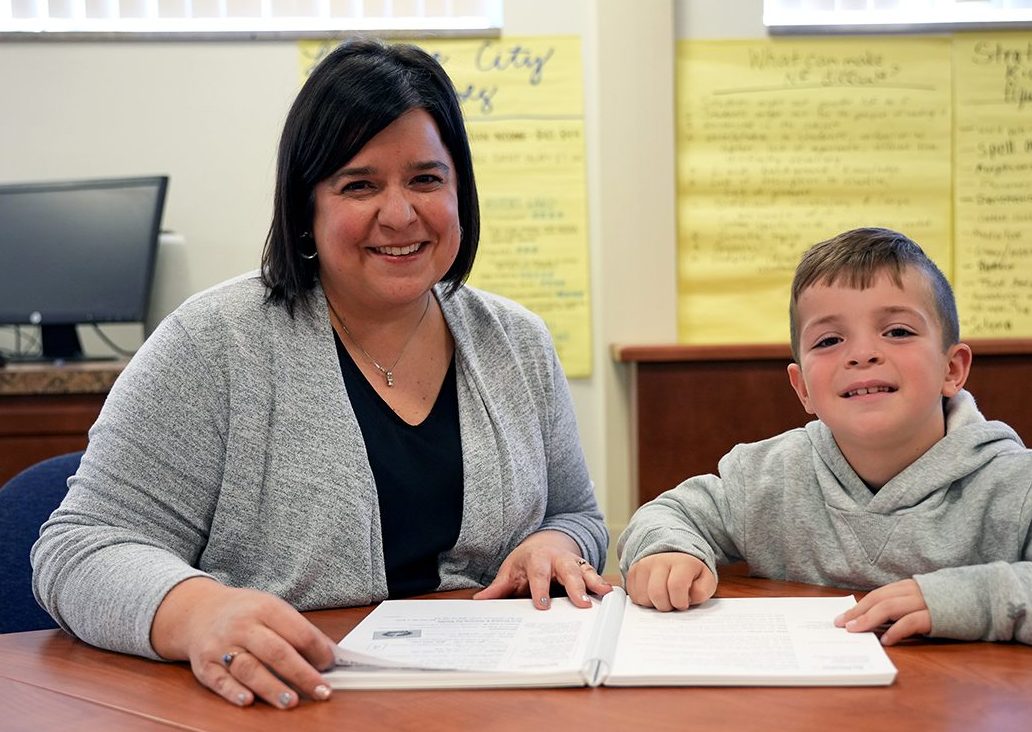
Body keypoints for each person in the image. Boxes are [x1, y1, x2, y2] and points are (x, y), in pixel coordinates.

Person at [32, 39, 610, 710]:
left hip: (490, 701)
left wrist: (555, 541)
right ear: (306, 206)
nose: (400, 214)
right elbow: (78, 549)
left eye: (426, 179)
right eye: (359, 184)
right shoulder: (212, 343)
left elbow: (578, 514)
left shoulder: (518, 343)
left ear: (460, 192)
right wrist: (195, 612)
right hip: (280, 702)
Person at [618, 227, 1032, 647]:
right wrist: (666, 549)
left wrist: (967, 599)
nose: (863, 353)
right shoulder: (764, 476)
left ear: (953, 368)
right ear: (803, 387)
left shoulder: (1022, 486)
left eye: (897, 330)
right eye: (829, 341)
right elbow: (669, 512)